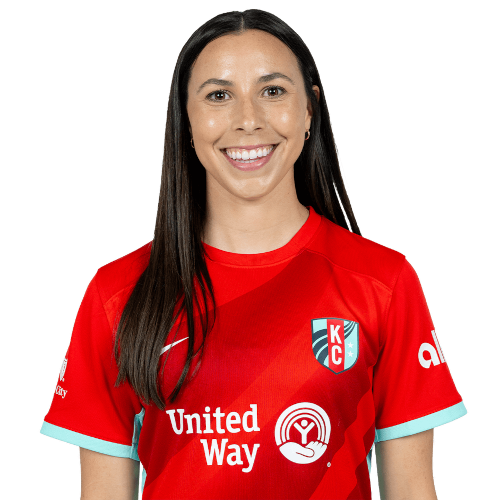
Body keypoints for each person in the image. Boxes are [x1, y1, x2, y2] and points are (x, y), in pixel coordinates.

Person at [38, 8, 467, 500]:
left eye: (273, 91)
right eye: (219, 95)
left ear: (310, 109)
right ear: (186, 118)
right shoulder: (117, 293)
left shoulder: (383, 282)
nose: (248, 120)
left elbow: (411, 488)